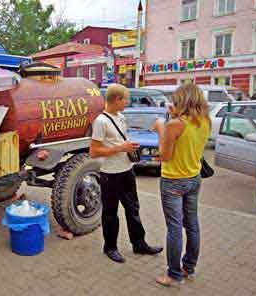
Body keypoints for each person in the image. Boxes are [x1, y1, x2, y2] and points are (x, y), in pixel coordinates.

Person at [90, 84, 163, 263]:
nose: (128, 102)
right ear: (116, 100)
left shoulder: (121, 117)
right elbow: (94, 151)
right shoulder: (100, 121)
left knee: (133, 209)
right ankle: (110, 247)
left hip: (127, 171)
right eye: (126, 99)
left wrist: (129, 145)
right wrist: (120, 148)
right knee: (110, 213)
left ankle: (139, 243)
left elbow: (120, 139)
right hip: (110, 174)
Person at [152, 84, 211, 286]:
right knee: (192, 224)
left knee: (175, 228)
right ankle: (189, 267)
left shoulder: (174, 125)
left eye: (176, 101)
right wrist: (173, 116)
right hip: (194, 178)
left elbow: (165, 156)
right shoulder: (205, 121)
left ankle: (173, 275)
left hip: (173, 181)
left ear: (182, 102)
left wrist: (161, 128)